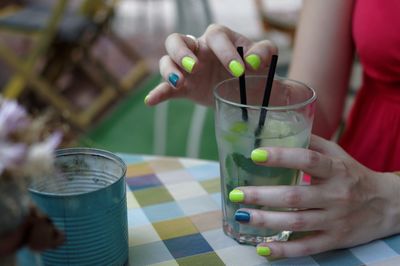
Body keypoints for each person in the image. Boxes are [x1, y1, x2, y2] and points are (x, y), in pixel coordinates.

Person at [144, 0, 400, 258]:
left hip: (372, 201)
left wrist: (391, 197)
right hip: (353, 202)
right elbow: (314, 113)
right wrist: (254, 97)